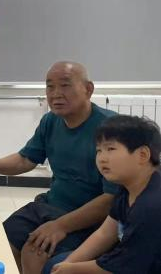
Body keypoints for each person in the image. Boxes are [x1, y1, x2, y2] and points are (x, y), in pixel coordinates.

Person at [0, 61, 118, 274]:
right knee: (0, 242)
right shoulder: (50, 121)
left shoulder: (110, 129)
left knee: (34, 252)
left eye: (65, 85)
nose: (56, 94)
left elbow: (112, 199)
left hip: (90, 220)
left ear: (88, 89)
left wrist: (61, 226)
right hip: (48, 206)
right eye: (50, 86)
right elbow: (25, 160)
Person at [47, 115, 161, 274]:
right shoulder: (128, 187)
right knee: (56, 264)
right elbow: (105, 233)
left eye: (111, 149)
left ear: (143, 155)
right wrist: (67, 264)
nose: (101, 158)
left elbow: (122, 266)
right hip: (131, 263)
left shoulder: (150, 205)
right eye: (99, 151)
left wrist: (72, 269)